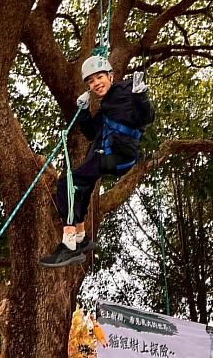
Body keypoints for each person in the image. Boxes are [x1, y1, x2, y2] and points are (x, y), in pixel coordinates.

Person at [39, 55, 154, 267]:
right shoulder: (106, 105)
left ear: (111, 76)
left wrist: (140, 96)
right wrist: (83, 111)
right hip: (109, 156)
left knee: (67, 183)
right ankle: (81, 239)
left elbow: (145, 118)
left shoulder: (126, 93)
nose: (95, 84)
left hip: (116, 155)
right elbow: (92, 133)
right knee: (82, 187)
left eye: (99, 77)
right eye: (91, 81)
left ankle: (69, 245)